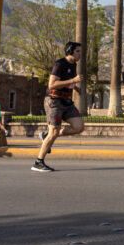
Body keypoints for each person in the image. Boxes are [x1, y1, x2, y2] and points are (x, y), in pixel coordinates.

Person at [34, 42, 85, 172]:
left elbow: (66, 81)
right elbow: (52, 84)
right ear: (70, 51)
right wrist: (74, 81)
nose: (80, 54)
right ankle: (38, 162)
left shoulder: (74, 65)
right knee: (54, 132)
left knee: (79, 127)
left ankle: (46, 136)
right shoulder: (60, 64)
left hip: (67, 102)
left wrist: (76, 88)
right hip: (54, 101)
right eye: (78, 51)